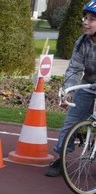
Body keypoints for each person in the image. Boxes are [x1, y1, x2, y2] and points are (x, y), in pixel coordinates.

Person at [46, 1, 96, 177]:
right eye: (85, 18)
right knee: (71, 121)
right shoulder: (82, 42)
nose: (85, 22)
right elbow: (75, 68)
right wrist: (69, 90)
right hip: (89, 85)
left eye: (92, 19)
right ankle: (61, 159)